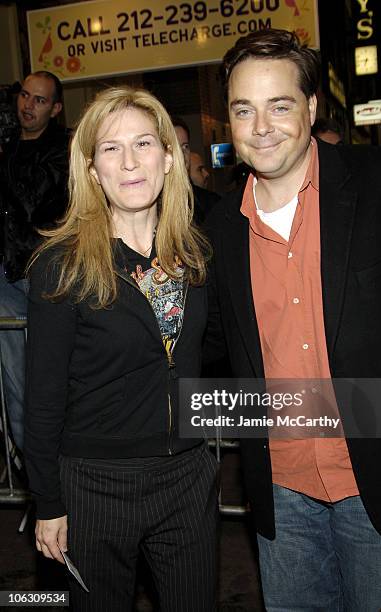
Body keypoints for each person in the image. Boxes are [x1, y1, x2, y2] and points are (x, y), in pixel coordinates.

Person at [206, 28, 381, 611]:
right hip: (281, 498)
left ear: (310, 107)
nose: (261, 126)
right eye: (243, 110)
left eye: (279, 105)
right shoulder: (220, 231)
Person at [24, 87, 218, 612]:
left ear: (169, 156)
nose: (130, 162)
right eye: (111, 148)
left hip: (188, 478)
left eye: (143, 143)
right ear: (91, 169)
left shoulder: (194, 254)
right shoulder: (61, 265)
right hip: (94, 486)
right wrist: (47, 502)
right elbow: (41, 398)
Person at [0, 71, 69, 450]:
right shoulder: (9, 145)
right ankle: (37, 480)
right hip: (7, 274)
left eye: (39, 100)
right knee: (16, 382)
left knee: (54, 379)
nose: (27, 105)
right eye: (24, 95)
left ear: (55, 108)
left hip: (46, 276)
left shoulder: (61, 149)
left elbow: (31, 201)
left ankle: (65, 473)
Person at [172, 117, 220, 223]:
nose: (182, 155)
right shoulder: (147, 207)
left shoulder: (212, 205)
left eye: (185, 146)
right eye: (173, 148)